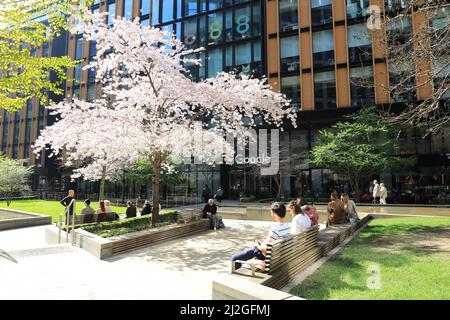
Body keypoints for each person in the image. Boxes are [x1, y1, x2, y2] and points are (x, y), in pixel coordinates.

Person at [230, 202, 290, 270]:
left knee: (234, 258)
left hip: (267, 256)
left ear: (273, 213)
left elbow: (265, 249)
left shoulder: (275, 229)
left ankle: (237, 276)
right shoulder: (288, 227)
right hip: (278, 256)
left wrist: (257, 246)